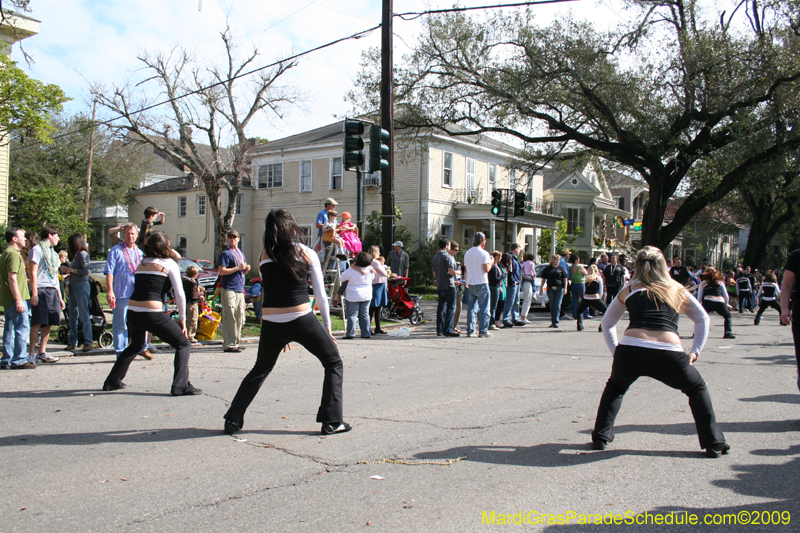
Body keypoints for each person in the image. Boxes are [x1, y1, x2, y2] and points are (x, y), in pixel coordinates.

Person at [591, 246, 728, 458]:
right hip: (668, 352)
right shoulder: (675, 288)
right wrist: (695, 351)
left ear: (637, 265)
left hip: (631, 349)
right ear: (663, 265)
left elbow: (607, 323)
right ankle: (713, 442)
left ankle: (601, 435)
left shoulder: (629, 289)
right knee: (697, 388)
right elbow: (702, 318)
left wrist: (616, 352)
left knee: (616, 387)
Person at [223, 209, 350, 436]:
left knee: (260, 369)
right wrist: (328, 327)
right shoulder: (306, 252)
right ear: (292, 227)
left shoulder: (263, 256)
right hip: (302, 319)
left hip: (272, 321)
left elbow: (270, 291)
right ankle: (332, 421)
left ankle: (233, 419)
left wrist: (276, 330)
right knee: (333, 362)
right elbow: (321, 296)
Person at [103, 232, 199, 395]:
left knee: (136, 345)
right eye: (168, 244)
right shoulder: (169, 264)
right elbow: (180, 294)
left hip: (133, 311)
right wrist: (182, 319)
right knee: (183, 344)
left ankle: (112, 381)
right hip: (152, 312)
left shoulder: (143, 262)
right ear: (165, 247)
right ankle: (180, 386)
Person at [105, 223, 152, 360]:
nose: (130, 236)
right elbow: (109, 272)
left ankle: (142, 348)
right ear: (123, 234)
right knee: (121, 323)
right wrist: (109, 291)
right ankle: (121, 352)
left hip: (138, 293)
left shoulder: (140, 253)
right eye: (127, 233)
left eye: (133, 234)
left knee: (141, 322)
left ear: (137, 235)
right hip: (121, 292)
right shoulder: (116, 251)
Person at [28, 226, 65, 364]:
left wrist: (60, 297)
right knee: (38, 321)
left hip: (53, 290)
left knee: (50, 322)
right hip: (41, 289)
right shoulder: (36, 250)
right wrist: (34, 293)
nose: (58, 239)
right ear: (50, 235)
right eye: (57, 235)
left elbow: (55, 276)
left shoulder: (54, 254)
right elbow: (33, 273)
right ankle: (31, 352)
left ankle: (42, 352)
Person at [1, 228, 33, 369]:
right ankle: (19, 359)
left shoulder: (6, 253)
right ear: (14, 239)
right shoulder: (13, 254)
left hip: (8, 298)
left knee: (9, 328)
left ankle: (7, 359)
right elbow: (12, 278)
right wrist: (19, 299)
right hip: (15, 298)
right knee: (22, 327)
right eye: (22, 236)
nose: (25, 239)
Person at [218, 230, 250, 353]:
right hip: (229, 288)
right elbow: (222, 271)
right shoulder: (226, 254)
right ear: (228, 239)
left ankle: (236, 342)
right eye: (230, 237)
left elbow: (241, 272)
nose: (233, 239)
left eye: (235, 237)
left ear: (238, 239)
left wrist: (246, 269)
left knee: (239, 317)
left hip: (239, 288)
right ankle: (229, 344)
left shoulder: (240, 254)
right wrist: (238, 268)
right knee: (229, 316)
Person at [63, 233, 93, 352]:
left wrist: (71, 270)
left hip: (81, 286)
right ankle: (72, 341)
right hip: (73, 286)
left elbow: (86, 271)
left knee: (84, 314)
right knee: (72, 315)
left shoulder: (83, 254)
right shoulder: (76, 255)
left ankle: (88, 341)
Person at [464, 232, 493, 338]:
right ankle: (483, 330)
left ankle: (471, 330)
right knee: (484, 308)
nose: (485, 241)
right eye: (484, 239)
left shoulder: (467, 253)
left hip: (471, 282)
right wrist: (491, 262)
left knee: (471, 308)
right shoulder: (484, 253)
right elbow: (486, 269)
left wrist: (466, 281)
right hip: (481, 282)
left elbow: (466, 269)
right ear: (481, 240)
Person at [340, 251, 375, 339]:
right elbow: (373, 277)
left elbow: (342, 278)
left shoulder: (351, 270)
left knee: (352, 315)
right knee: (365, 314)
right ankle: (366, 333)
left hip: (353, 294)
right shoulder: (370, 269)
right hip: (366, 294)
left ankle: (351, 333)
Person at [697, 267, 735, 339]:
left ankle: (698, 333)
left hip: (707, 301)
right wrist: (726, 304)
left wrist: (699, 306)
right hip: (719, 301)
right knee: (728, 316)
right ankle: (728, 333)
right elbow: (726, 296)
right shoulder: (720, 283)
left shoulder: (703, 283)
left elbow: (699, 297)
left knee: (701, 317)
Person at [433, 237, 459, 337]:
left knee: (441, 308)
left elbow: (434, 274)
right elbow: (451, 271)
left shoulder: (436, 257)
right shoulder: (447, 257)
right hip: (449, 284)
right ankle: (448, 329)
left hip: (440, 284)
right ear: (447, 245)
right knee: (451, 308)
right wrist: (458, 272)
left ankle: (439, 329)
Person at [539, 254, 569, 328]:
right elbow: (543, 279)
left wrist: (565, 288)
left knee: (557, 306)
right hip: (550, 289)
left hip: (559, 288)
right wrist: (541, 288)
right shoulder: (548, 269)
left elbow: (565, 279)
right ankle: (553, 321)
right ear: (553, 260)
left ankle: (556, 322)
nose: (558, 261)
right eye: (557, 260)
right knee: (552, 306)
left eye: (559, 260)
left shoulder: (561, 269)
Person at [576, 264, 607, 332]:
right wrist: (599, 298)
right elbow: (601, 291)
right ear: (596, 270)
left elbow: (584, 290)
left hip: (586, 298)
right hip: (595, 298)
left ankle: (580, 326)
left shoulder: (586, 278)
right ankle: (601, 327)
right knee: (607, 311)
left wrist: (583, 298)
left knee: (580, 311)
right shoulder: (598, 278)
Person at [503, 243, 526, 327]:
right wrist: (512, 280)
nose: (520, 251)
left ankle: (516, 318)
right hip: (512, 283)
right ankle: (506, 319)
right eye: (519, 249)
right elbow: (510, 270)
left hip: (517, 282)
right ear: (516, 249)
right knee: (510, 301)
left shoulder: (515, 259)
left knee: (516, 301)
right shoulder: (510, 258)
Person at [368, 245, 388, 335]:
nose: (379, 253)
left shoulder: (369, 261)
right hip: (377, 285)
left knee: (376, 308)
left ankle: (377, 328)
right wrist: (387, 270)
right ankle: (371, 328)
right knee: (374, 308)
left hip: (376, 285)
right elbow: (384, 273)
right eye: (378, 252)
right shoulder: (375, 262)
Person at [182, 265, 202, 341]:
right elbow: (193, 295)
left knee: (187, 319)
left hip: (186, 302)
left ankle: (186, 334)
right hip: (192, 303)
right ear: (195, 275)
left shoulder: (185, 281)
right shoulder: (193, 283)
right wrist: (199, 296)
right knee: (193, 319)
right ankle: (190, 336)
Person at [448, 240, 463, 334]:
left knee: (458, 307)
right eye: (455, 250)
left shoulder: (453, 259)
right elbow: (449, 273)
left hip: (457, 285)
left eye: (458, 250)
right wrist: (457, 273)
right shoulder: (448, 258)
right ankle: (451, 327)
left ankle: (453, 326)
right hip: (452, 285)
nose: (457, 252)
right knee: (455, 307)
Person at [569, 254, 589, 321]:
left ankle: (575, 315)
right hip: (580, 284)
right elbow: (586, 273)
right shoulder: (580, 267)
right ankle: (586, 314)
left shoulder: (571, 268)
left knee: (575, 300)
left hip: (573, 284)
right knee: (585, 299)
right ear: (577, 260)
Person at [488, 251, 504, 331]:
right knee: (493, 307)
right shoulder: (494, 267)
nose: (501, 259)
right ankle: (491, 323)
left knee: (493, 306)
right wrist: (503, 276)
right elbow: (495, 279)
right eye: (500, 257)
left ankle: (491, 322)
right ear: (497, 257)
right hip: (494, 287)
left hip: (496, 287)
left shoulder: (497, 266)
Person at [519, 253, 537, 323]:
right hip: (527, 282)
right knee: (527, 299)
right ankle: (523, 317)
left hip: (525, 282)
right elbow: (532, 271)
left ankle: (523, 316)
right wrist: (533, 276)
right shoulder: (531, 264)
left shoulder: (524, 263)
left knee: (527, 299)